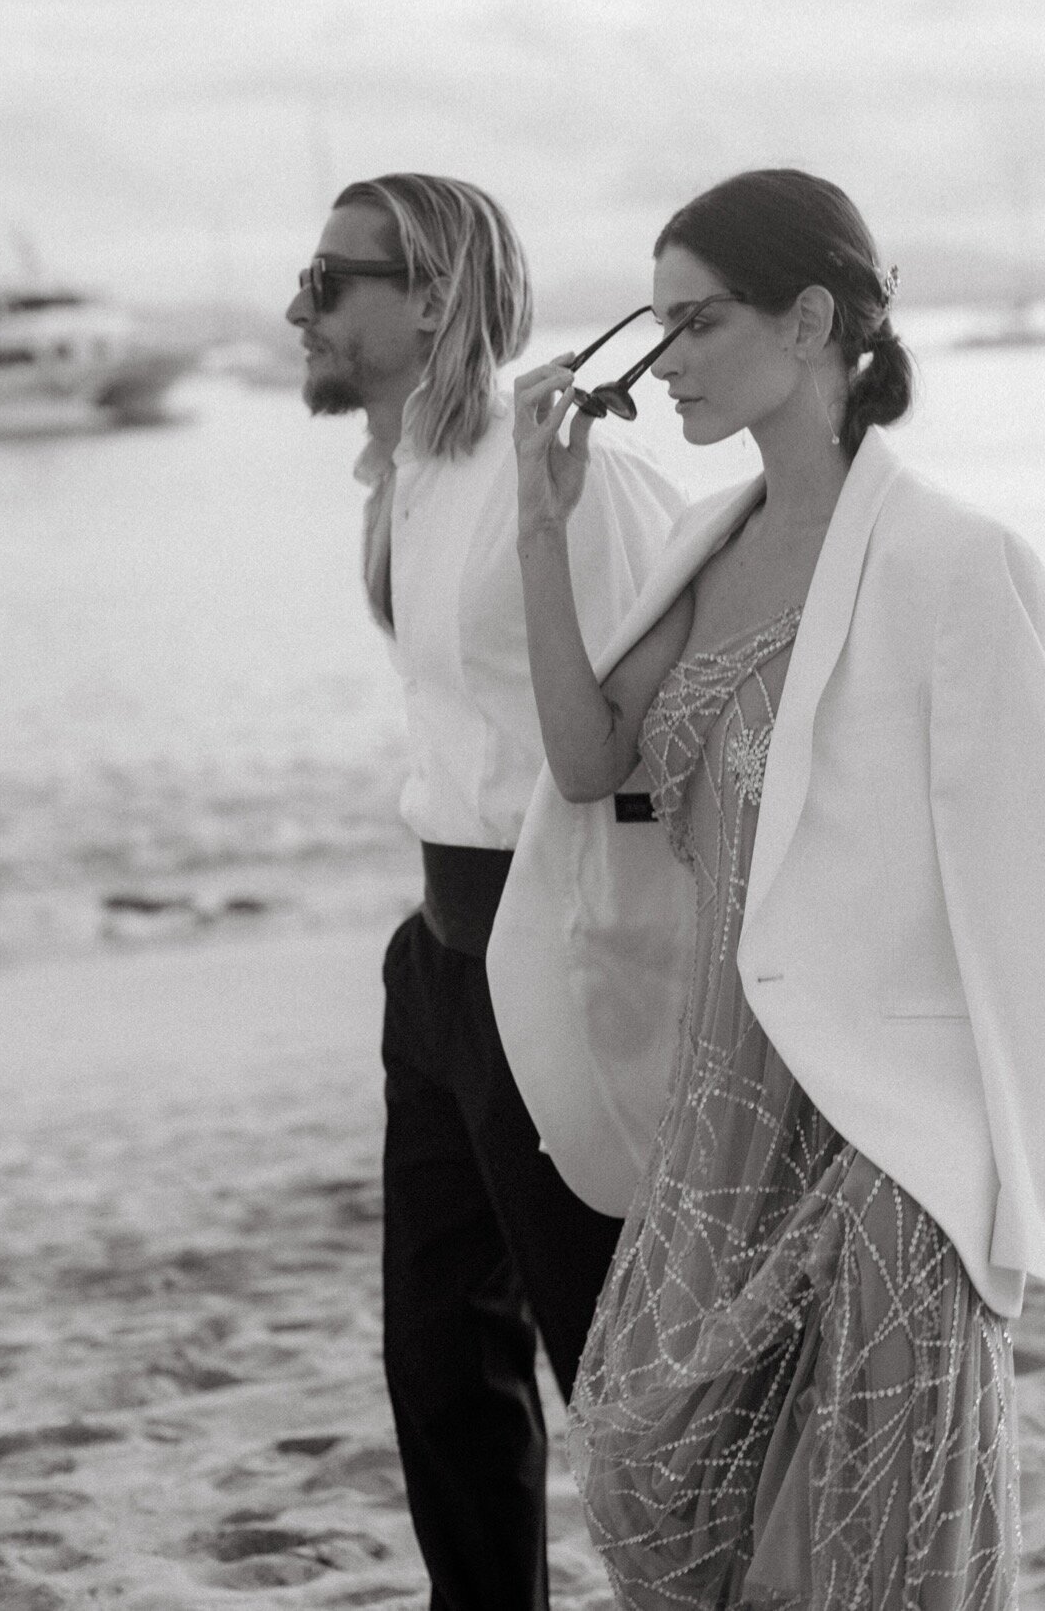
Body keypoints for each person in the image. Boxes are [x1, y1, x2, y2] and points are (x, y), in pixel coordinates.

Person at [493, 169, 1045, 1606]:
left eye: (696, 323)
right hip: (723, 1108)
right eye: (654, 331)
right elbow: (588, 764)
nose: (668, 365)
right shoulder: (710, 545)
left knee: (867, 1535)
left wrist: (1013, 1185)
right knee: (653, 1471)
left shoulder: (957, 562)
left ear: (813, 318)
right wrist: (541, 517)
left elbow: (1039, 888)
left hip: (888, 1131)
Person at [287, 172, 683, 1611]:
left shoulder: (565, 470)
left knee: (608, 1360)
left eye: (335, 282)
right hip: (437, 959)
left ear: (434, 293)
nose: (300, 309)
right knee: (439, 1354)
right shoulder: (402, 474)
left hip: (556, 953)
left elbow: (676, 724)